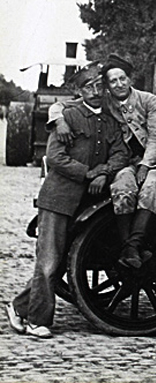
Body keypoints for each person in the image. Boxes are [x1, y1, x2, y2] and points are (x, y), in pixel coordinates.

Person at [6, 62, 128, 339]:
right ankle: (37, 321)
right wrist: (88, 173)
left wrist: (105, 172)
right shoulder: (69, 117)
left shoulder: (110, 121)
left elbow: (120, 152)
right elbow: (55, 157)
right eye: (88, 87)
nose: (95, 91)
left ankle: (19, 307)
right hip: (59, 199)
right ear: (79, 92)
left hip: (87, 203)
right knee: (49, 261)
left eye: (99, 86)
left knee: (61, 262)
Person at [49, 53, 156, 269]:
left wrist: (145, 165)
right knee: (122, 186)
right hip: (124, 163)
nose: (119, 84)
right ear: (107, 86)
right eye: (113, 81)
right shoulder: (104, 101)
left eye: (122, 79)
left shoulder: (149, 101)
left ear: (129, 79)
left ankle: (133, 245)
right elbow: (61, 105)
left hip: (151, 163)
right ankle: (127, 246)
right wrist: (58, 121)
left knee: (151, 186)